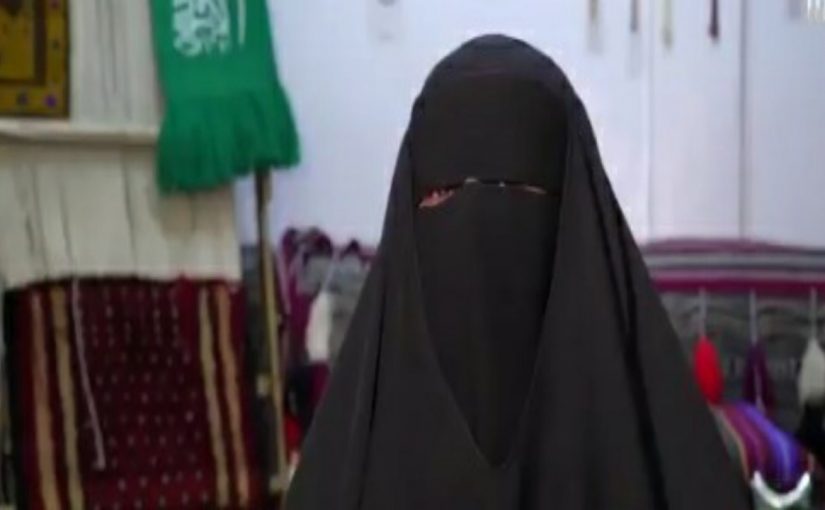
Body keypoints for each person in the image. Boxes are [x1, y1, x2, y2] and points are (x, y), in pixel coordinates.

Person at [286, 34, 748, 510]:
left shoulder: (679, 473)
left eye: (518, 188)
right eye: (446, 194)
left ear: (576, 218)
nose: (480, 224)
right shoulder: (340, 479)